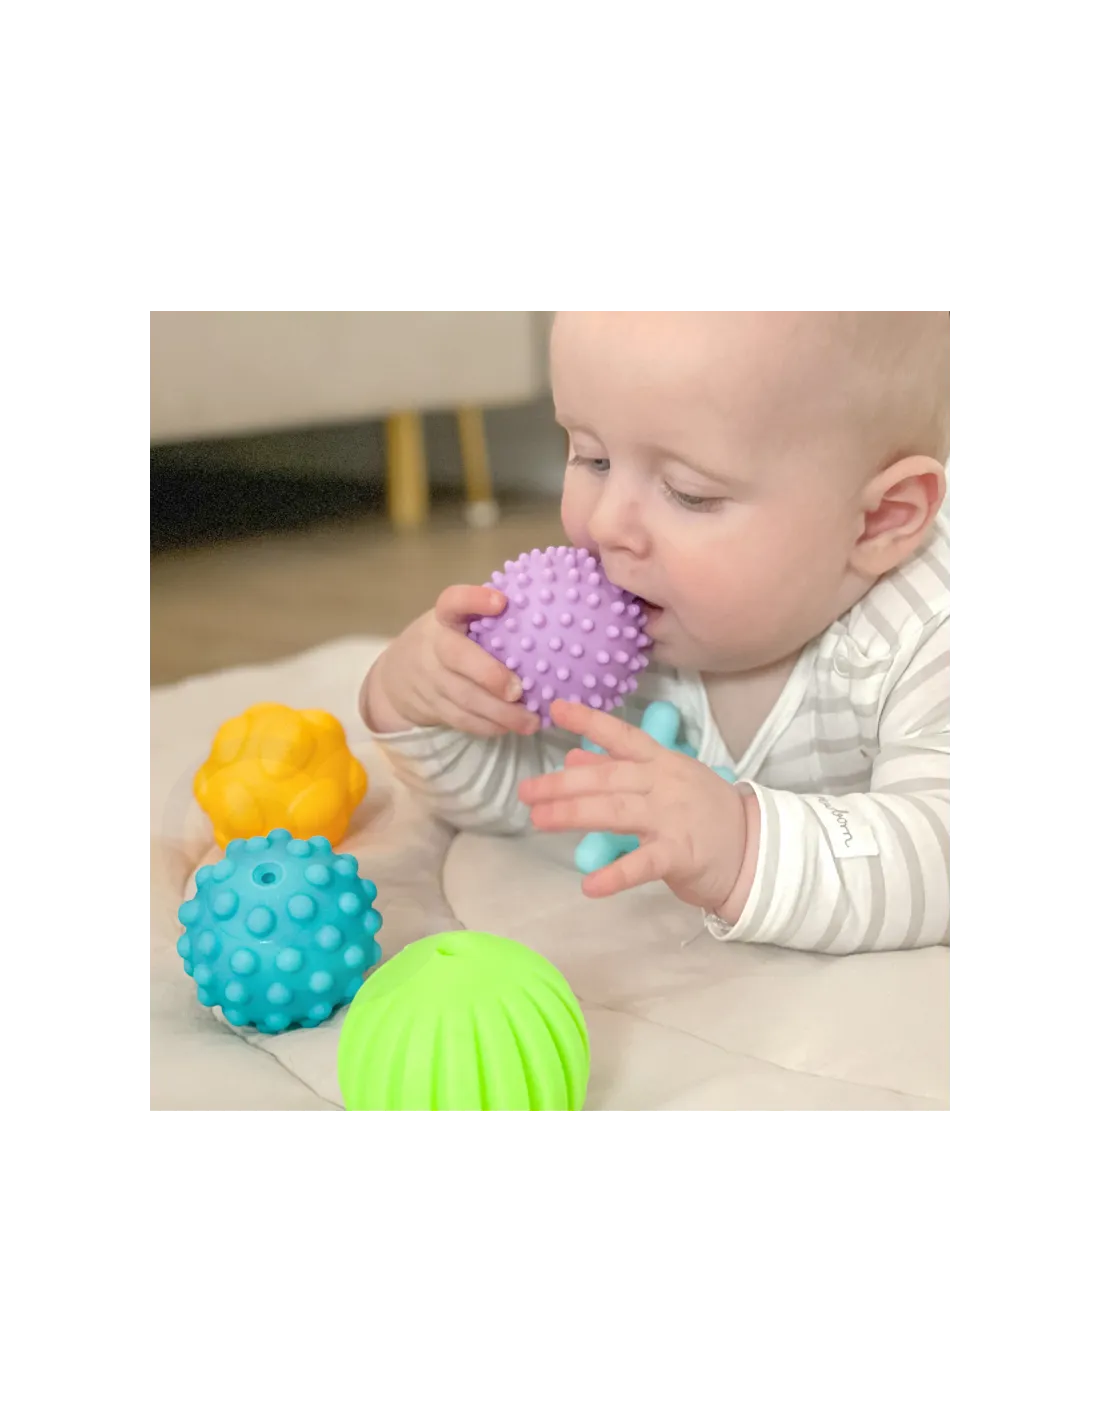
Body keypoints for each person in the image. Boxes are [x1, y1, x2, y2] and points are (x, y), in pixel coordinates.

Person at [359, 308, 951, 954]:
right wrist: (418, 702)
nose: (607, 524)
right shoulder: (629, 628)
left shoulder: (931, 635)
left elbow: (948, 858)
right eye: (592, 457)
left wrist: (742, 842)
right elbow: (529, 796)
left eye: (688, 492)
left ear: (880, 519)